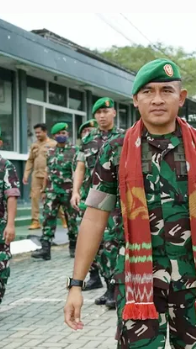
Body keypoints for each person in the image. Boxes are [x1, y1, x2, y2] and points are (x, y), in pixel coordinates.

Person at [64, 59, 196, 348]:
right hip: (138, 283)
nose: (157, 99)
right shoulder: (114, 151)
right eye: (148, 92)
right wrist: (76, 285)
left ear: (182, 97)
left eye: (166, 90)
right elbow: (93, 219)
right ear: (136, 100)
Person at [71, 98, 125, 308]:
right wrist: (75, 191)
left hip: (115, 202)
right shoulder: (88, 141)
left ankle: (115, 288)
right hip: (92, 201)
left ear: (114, 112)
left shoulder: (124, 137)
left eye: (105, 111)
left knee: (112, 244)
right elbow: (80, 167)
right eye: (98, 113)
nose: (102, 116)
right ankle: (108, 286)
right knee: (99, 247)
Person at [31, 123, 78, 260]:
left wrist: (77, 192)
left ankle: (74, 247)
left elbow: (78, 172)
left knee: (72, 221)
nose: (61, 136)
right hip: (52, 191)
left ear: (67, 134)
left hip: (69, 191)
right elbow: (47, 172)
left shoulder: (74, 150)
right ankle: (45, 249)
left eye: (64, 133)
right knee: (47, 219)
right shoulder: (50, 151)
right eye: (58, 134)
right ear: (54, 136)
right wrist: (44, 191)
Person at [22, 123, 58, 230]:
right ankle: (35, 221)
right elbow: (30, 160)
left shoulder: (53, 144)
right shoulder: (34, 145)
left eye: (39, 132)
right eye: (35, 133)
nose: (37, 135)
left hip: (50, 176)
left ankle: (64, 219)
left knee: (55, 197)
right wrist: (26, 174)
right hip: (36, 176)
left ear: (45, 131)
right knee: (34, 197)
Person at [0, 127, 20, 306]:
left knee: (1, 266)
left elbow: (11, 195)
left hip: (1, 226)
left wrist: (10, 224)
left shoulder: (6, 166)